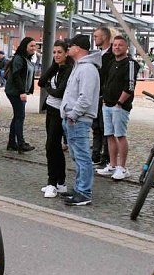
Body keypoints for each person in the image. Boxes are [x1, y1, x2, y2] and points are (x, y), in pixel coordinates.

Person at [59, 35, 102, 207]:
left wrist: (73, 115)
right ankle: (79, 189)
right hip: (73, 118)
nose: (68, 48)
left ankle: (84, 192)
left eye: (70, 46)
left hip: (78, 119)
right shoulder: (81, 67)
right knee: (77, 156)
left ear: (78, 48)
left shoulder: (87, 69)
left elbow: (85, 98)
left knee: (82, 156)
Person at [96, 35, 139, 181]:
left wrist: (120, 102)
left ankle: (122, 167)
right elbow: (106, 81)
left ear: (126, 47)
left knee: (120, 135)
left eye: (120, 45)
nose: (117, 47)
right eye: (115, 45)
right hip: (107, 104)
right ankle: (112, 165)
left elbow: (130, 86)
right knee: (109, 135)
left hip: (120, 106)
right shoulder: (111, 63)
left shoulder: (131, 64)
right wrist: (104, 100)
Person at [38, 39, 73, 197]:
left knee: (51, 146)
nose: (56, 55)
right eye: (54, 52)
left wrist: (49, 88)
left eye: (59, 52)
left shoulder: (69, 69)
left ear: (67, 52)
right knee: (54, 147)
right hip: (51, 109)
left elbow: (59, 92)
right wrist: (53, 65)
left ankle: (53, 182)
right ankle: (60, 182)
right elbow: (41, 81)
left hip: (60, 111)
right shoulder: (56, 67)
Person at [5, 36, 38, 152]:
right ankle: (20, 143)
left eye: (35, 45)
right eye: (31, 46)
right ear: (25, 46)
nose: (34, 48)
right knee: (20, 116)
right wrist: (22, 92)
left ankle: (12, 142)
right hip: (15, 92)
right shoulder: (19, 58)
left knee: (17, 117)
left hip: (18, 92)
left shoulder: (26, 58)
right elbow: (16, 76)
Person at [92, 27, 114, 167]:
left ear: (104, 37)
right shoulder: (98, 55)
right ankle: (95, 155)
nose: (94, 39)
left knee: (104, 127)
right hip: (97, 95)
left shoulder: (110, 56)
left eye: (96, 36)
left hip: (105, 96)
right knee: (96, 126)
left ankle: (105, 157)